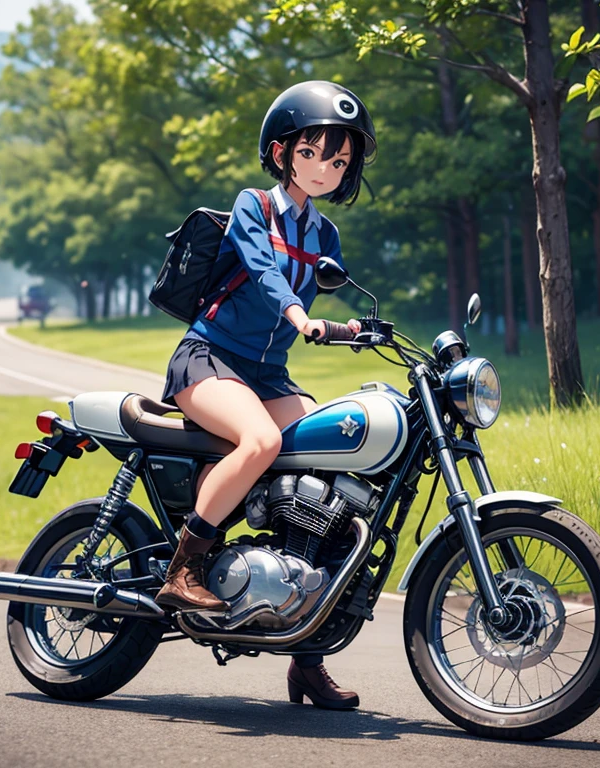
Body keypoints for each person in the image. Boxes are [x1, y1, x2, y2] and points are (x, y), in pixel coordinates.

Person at [155, 80, 377, 710]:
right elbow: (261, 268)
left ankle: (306, 654)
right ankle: (185, 566)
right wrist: (298, 314)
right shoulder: (254, 205)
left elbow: (331, 283)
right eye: (315, 153)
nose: (328, 168)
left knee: (326, 472)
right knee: (262, 440)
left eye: (339, 160)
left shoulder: (326, 234)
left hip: (268, 375)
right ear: (283, 152)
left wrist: (363, 327)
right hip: (209, 358)